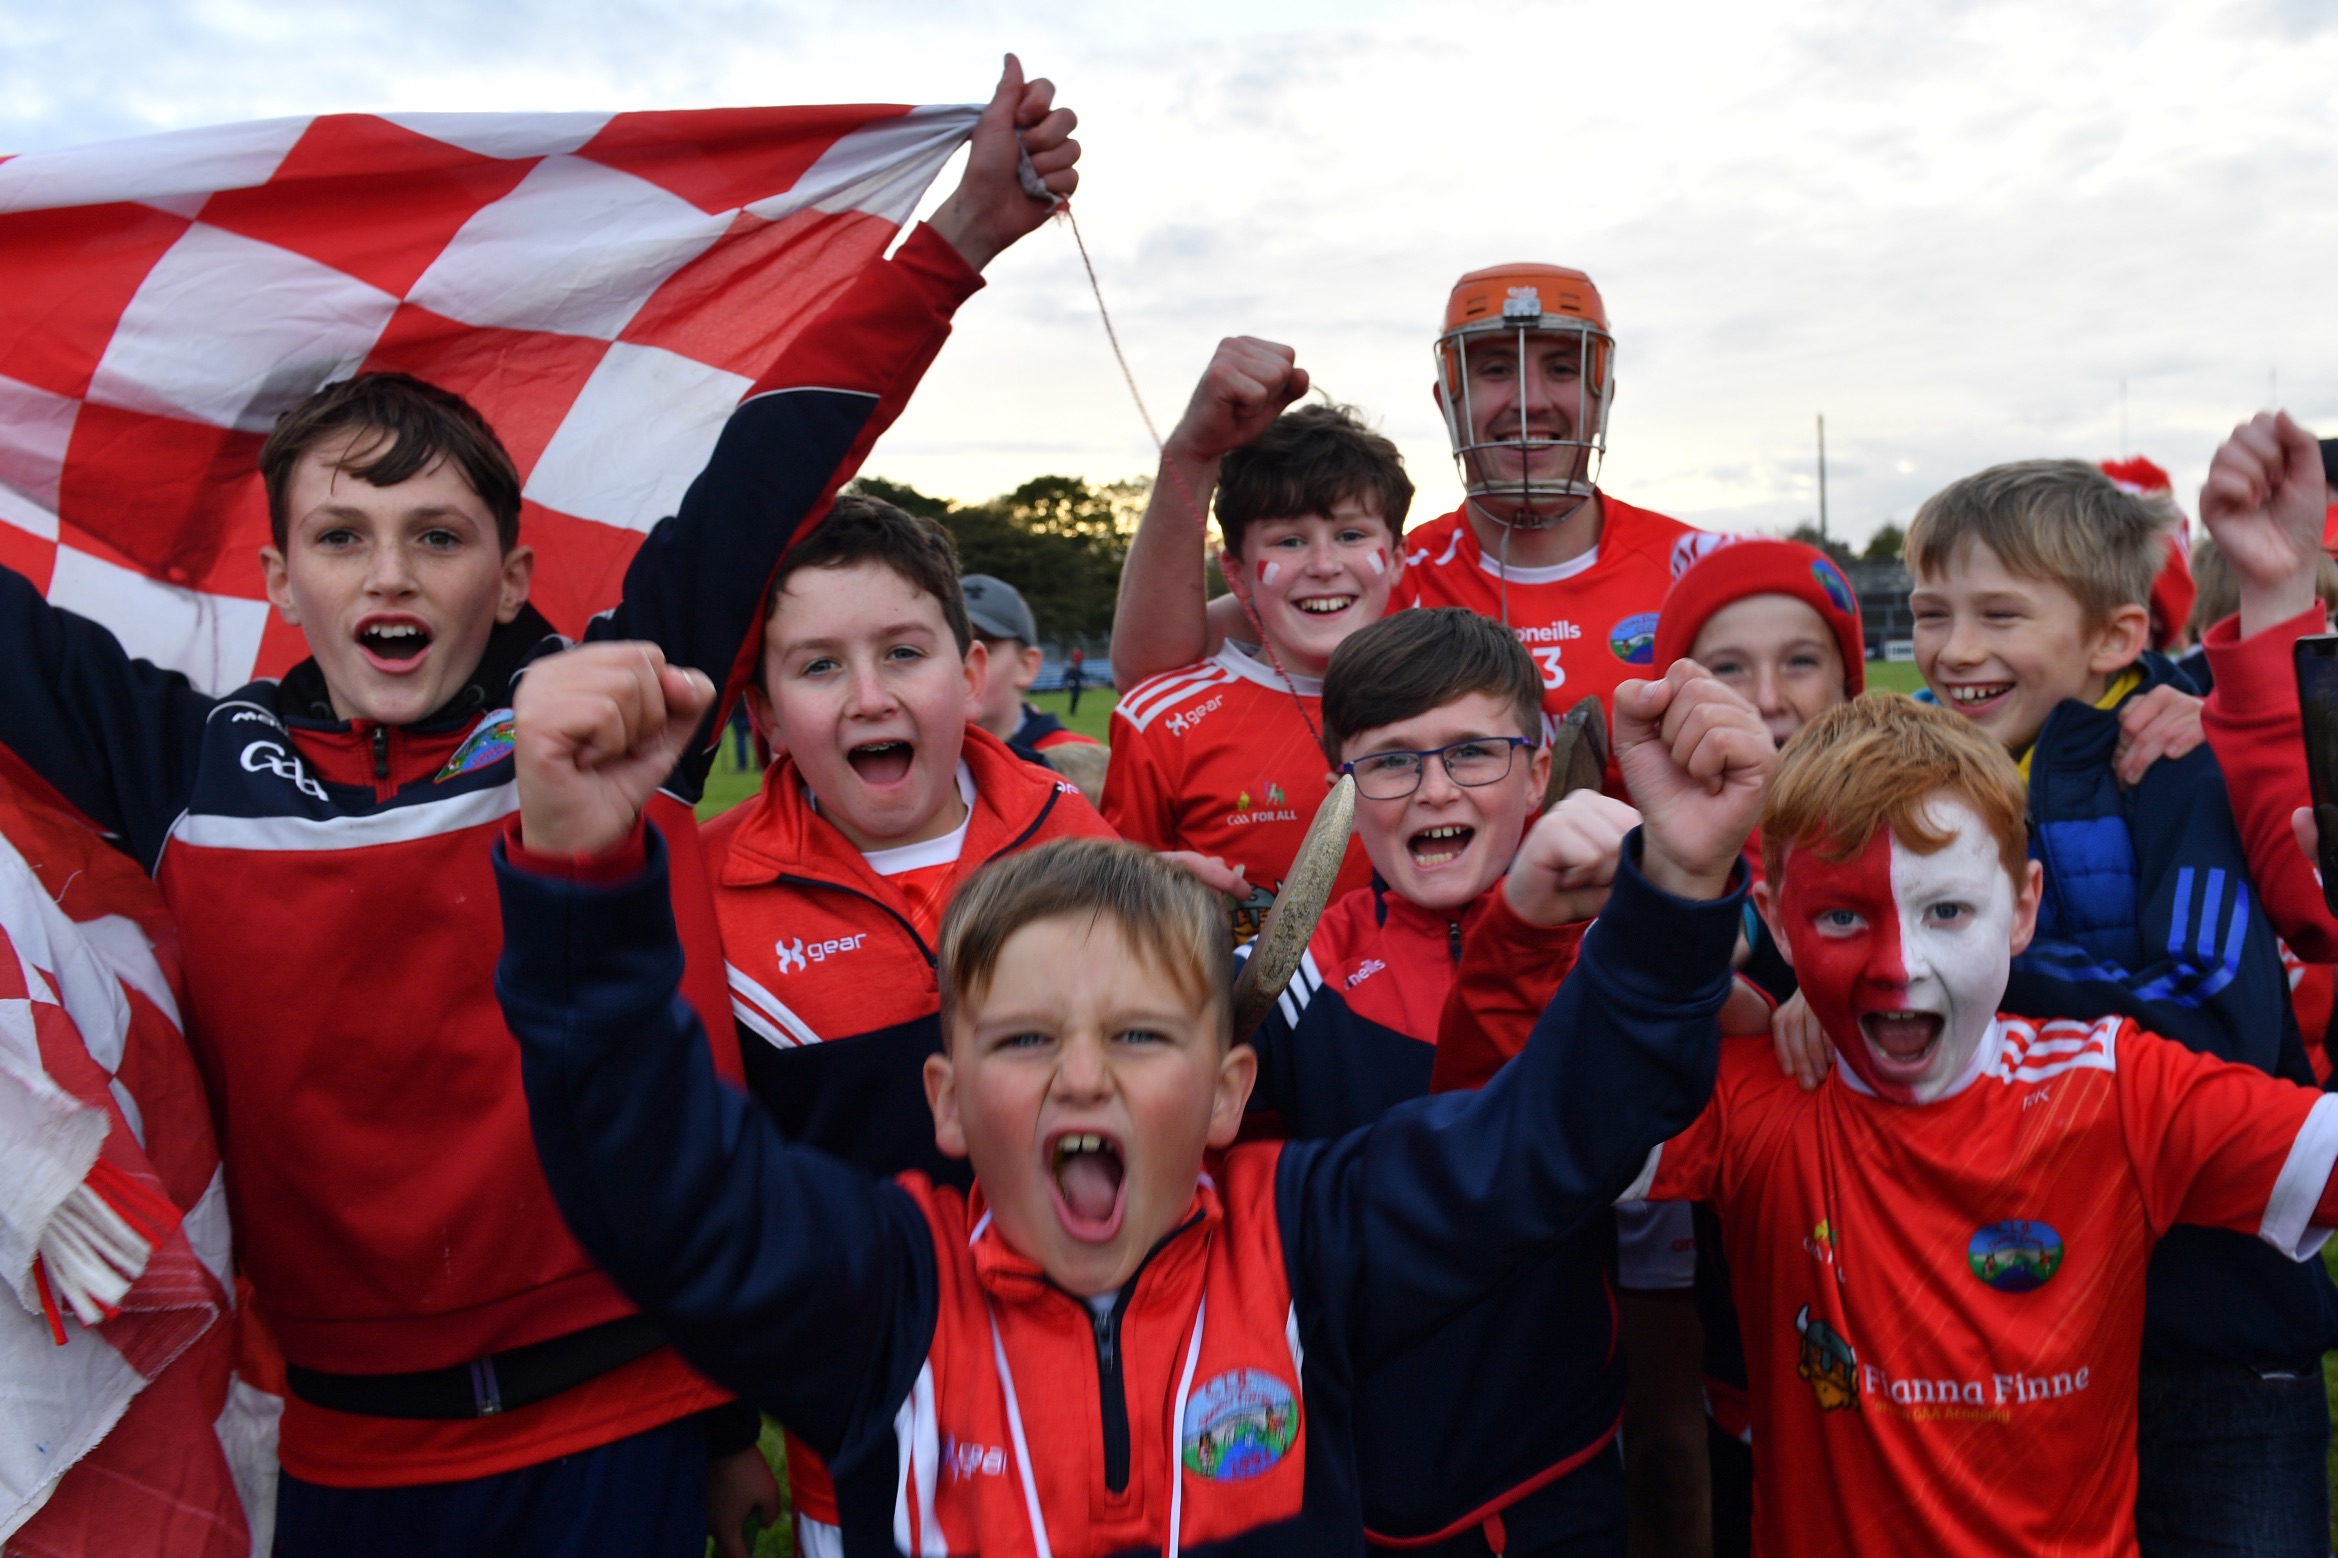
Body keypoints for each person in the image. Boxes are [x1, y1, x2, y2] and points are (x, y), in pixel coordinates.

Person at [0, 57, 1080, 1558]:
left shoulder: (599, 710)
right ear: (278, 580)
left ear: (509, 578)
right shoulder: (182, 761)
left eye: (438, 536)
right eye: (342, 537)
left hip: (622, 1421)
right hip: (342, 1445)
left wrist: (953, 243)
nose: (390, 573)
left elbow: (762, 472)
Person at [485, 633, 1772, 1558]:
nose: (1084, 1075)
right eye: (1025, 1037)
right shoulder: (886, 1294)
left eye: (1141, 1034)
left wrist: (1678, 883)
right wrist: (583, 876)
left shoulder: (1308, 1243)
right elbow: (655, 1180)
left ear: (1226, 1092)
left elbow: (1554, 1132)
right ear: (946, 1099)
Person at [1445, 694, 2338, 1557]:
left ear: (2023, 908)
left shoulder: (2117, 1090)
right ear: (1778, 922)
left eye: (1946, 911)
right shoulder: (1755, 1097)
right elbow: (1496, 1146)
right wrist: (1525, 933)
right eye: (1842, 915)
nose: (1898, 967)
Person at [1246, 606, 1770, 1556]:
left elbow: (1696, 1115)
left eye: (1473, 753)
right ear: (1339, 792)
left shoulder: (1608, 955)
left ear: (1536, 774)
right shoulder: (1288, 976)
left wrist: (1714, 935)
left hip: (1560, 1467)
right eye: (1391, 761)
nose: (1434, 789)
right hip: (1351, 1478)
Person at [1904, 460, 2333, 1555]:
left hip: (2218, 1344)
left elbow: (2219, 1023)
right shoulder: (1906, 777)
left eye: (2000, 614)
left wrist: (1974, 967)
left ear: (2113, 636)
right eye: (1931, 613)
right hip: (2011, 1339)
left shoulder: (2170, 764)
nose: (1953, 648)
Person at [704, 496, 1116, 1548]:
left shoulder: (1072, 832)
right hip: (864, 1432)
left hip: (1098, 1402)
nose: (870, 696)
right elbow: (699, 1192)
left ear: (969, 672)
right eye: (819, 666)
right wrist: (720, 1429)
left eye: (902, 652)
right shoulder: (707, 895)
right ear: (762, 709)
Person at [1108, 268, 1698, 740]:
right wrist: (1193, 454)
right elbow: (1154, 672)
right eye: (1496, 370)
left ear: (1603, 394)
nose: (1529, 401)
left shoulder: (1697, 568)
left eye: (1562, 368)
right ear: (1448, 400)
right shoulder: (1387, 574)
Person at [1102, 397, 1408, 908]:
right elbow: (1108, 912)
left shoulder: (1452, 706)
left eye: (1351, 535)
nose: (1323, 564)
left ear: (1396, 559)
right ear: (1237, 573)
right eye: (1289, 541)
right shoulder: (1159, 722)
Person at [962, 572, 1100, 764]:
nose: (960, 665)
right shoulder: (925, 763)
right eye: (950, 647)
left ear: (1026, 665)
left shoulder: (1082, 766)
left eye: (984, 651)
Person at [1063, 644, 1089, 714]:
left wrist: (1086, 683)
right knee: (1074, 697)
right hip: (1072, 687)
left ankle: (1073, 710)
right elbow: (1065, 678)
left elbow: (1084, 676)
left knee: (1076, 698)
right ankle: (1072, 710)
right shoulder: (1069, 671)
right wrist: (1065, 685)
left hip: (1077, 686)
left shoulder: (1078, 671)